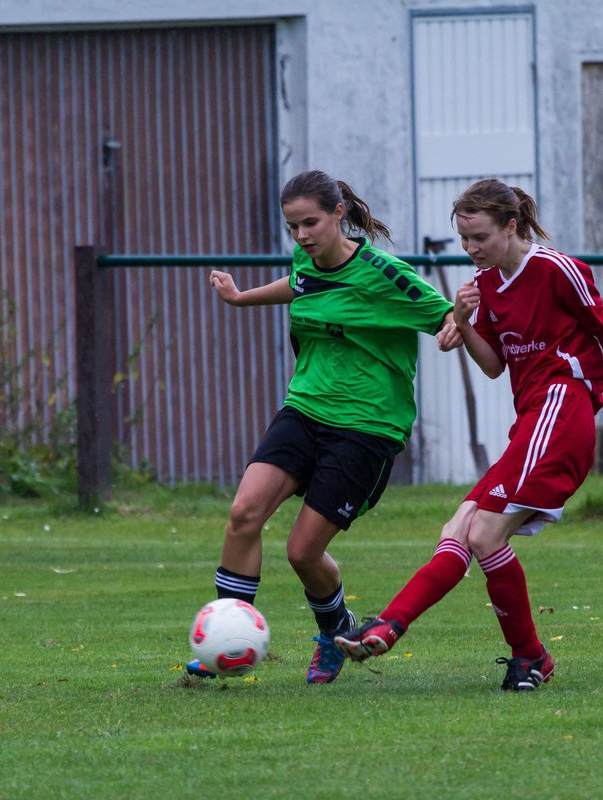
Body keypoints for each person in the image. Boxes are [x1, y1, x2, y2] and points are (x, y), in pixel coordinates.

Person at [334, 179, 603, 690]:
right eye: (463, 240)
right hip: (531, 421)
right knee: (458, 529)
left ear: (511, 226)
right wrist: (464, 321)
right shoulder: (487, 288)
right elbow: (496, 367)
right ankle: (390, 628)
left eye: (479, 237)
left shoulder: (556, 269)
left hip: (562, 408)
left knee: (482, 532)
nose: (471, 250)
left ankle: (521, 654)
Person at [187, 170, 459, 684]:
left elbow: (448, 315)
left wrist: (454, 329)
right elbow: (301, 285)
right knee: (244, 513)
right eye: (292, 228)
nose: (301, 236)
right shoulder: (306, 260)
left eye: (310, 223)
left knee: (301, 551)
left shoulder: (387, 276)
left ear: (339, 214)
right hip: (305, 408)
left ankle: (335, 628)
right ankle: (225, 636)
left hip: (366, 427)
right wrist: (240, 298)